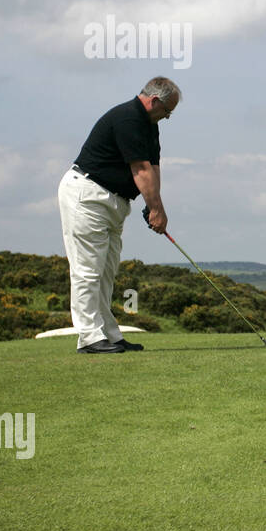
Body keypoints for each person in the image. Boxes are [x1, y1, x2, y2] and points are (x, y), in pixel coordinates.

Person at [57, 77, 180, 353]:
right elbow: (140, 169)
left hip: (113, 203)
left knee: (106, 271)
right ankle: (89, 338)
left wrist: (154, 205)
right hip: (87, 196)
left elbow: (153, 167)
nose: (168, 117)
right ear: (154, 101)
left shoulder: (150, 125)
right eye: (167, 111)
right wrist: (157, 210)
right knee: (88, 271)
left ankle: (110, 335)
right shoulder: (128, 118)